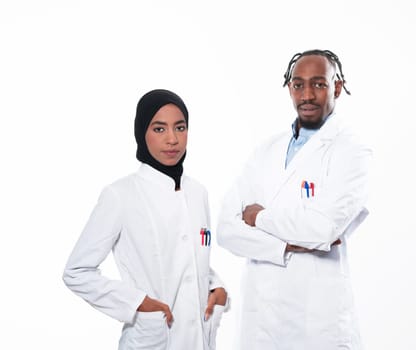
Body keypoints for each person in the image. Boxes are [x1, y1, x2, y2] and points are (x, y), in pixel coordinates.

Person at [216, 49, 371, 350]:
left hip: (316, 323)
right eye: (298, 84)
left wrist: (260, 218)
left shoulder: (351, 151)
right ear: (289, 88)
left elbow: (322, 229)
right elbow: (225, 229)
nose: (307, 94)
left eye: (318, 83)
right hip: (261, 321)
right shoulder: (265, 151)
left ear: (337, 86)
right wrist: (288, 244)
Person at [63, 89, 228, 350]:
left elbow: (188, 258)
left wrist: (216, 288)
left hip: (200, 340)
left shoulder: (198, 192)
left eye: (180, 127)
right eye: (159, 129)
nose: (172, 139)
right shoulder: (120, 195)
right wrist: (136, 303)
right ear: (142, 133)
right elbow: (76, 272)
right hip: (153, 339)